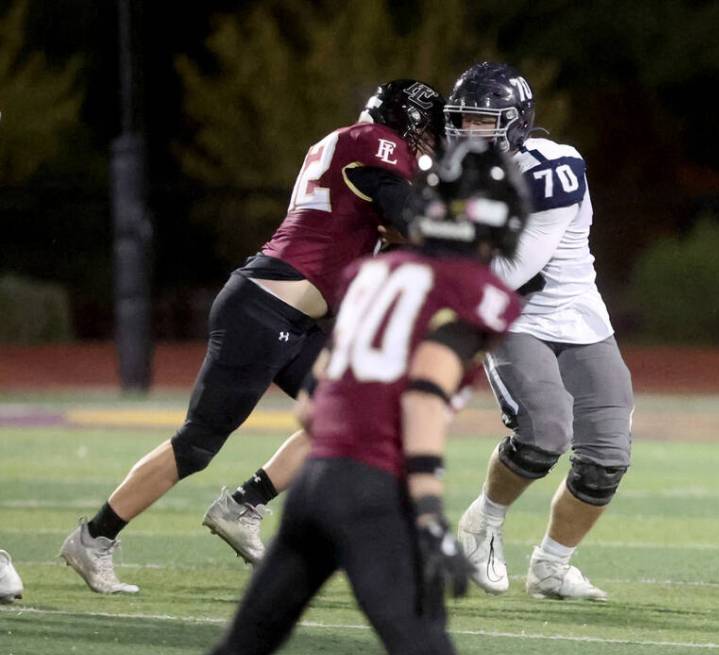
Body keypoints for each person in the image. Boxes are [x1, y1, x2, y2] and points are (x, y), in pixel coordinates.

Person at [40, 139, 529, 655]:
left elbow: (319, 402)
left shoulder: (370, 276)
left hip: (319, 483)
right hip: (372, 490)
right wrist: (428, 512)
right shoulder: (479, 293)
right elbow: (422, 396)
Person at [58, 79, 444, 593]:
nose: (427, 144)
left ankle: (243, 506)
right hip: (263, 310)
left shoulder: (352, 149)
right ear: (405, 122)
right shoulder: (377, 143)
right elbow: (407, 219)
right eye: (425, 131)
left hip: (287, 316)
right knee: (196, 445)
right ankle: (93, 537)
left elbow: (389, 227)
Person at [444, 62, 634, 602]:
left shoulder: (555, 168)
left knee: (607, 457)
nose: (470, 133)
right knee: (545, 432)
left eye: (485, 121)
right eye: (463, 121)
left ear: (516, 123)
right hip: (512, 322)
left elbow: (511, 272)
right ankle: (484, 522)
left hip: (575, 315)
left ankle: (552, 566)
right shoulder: (446, 174)